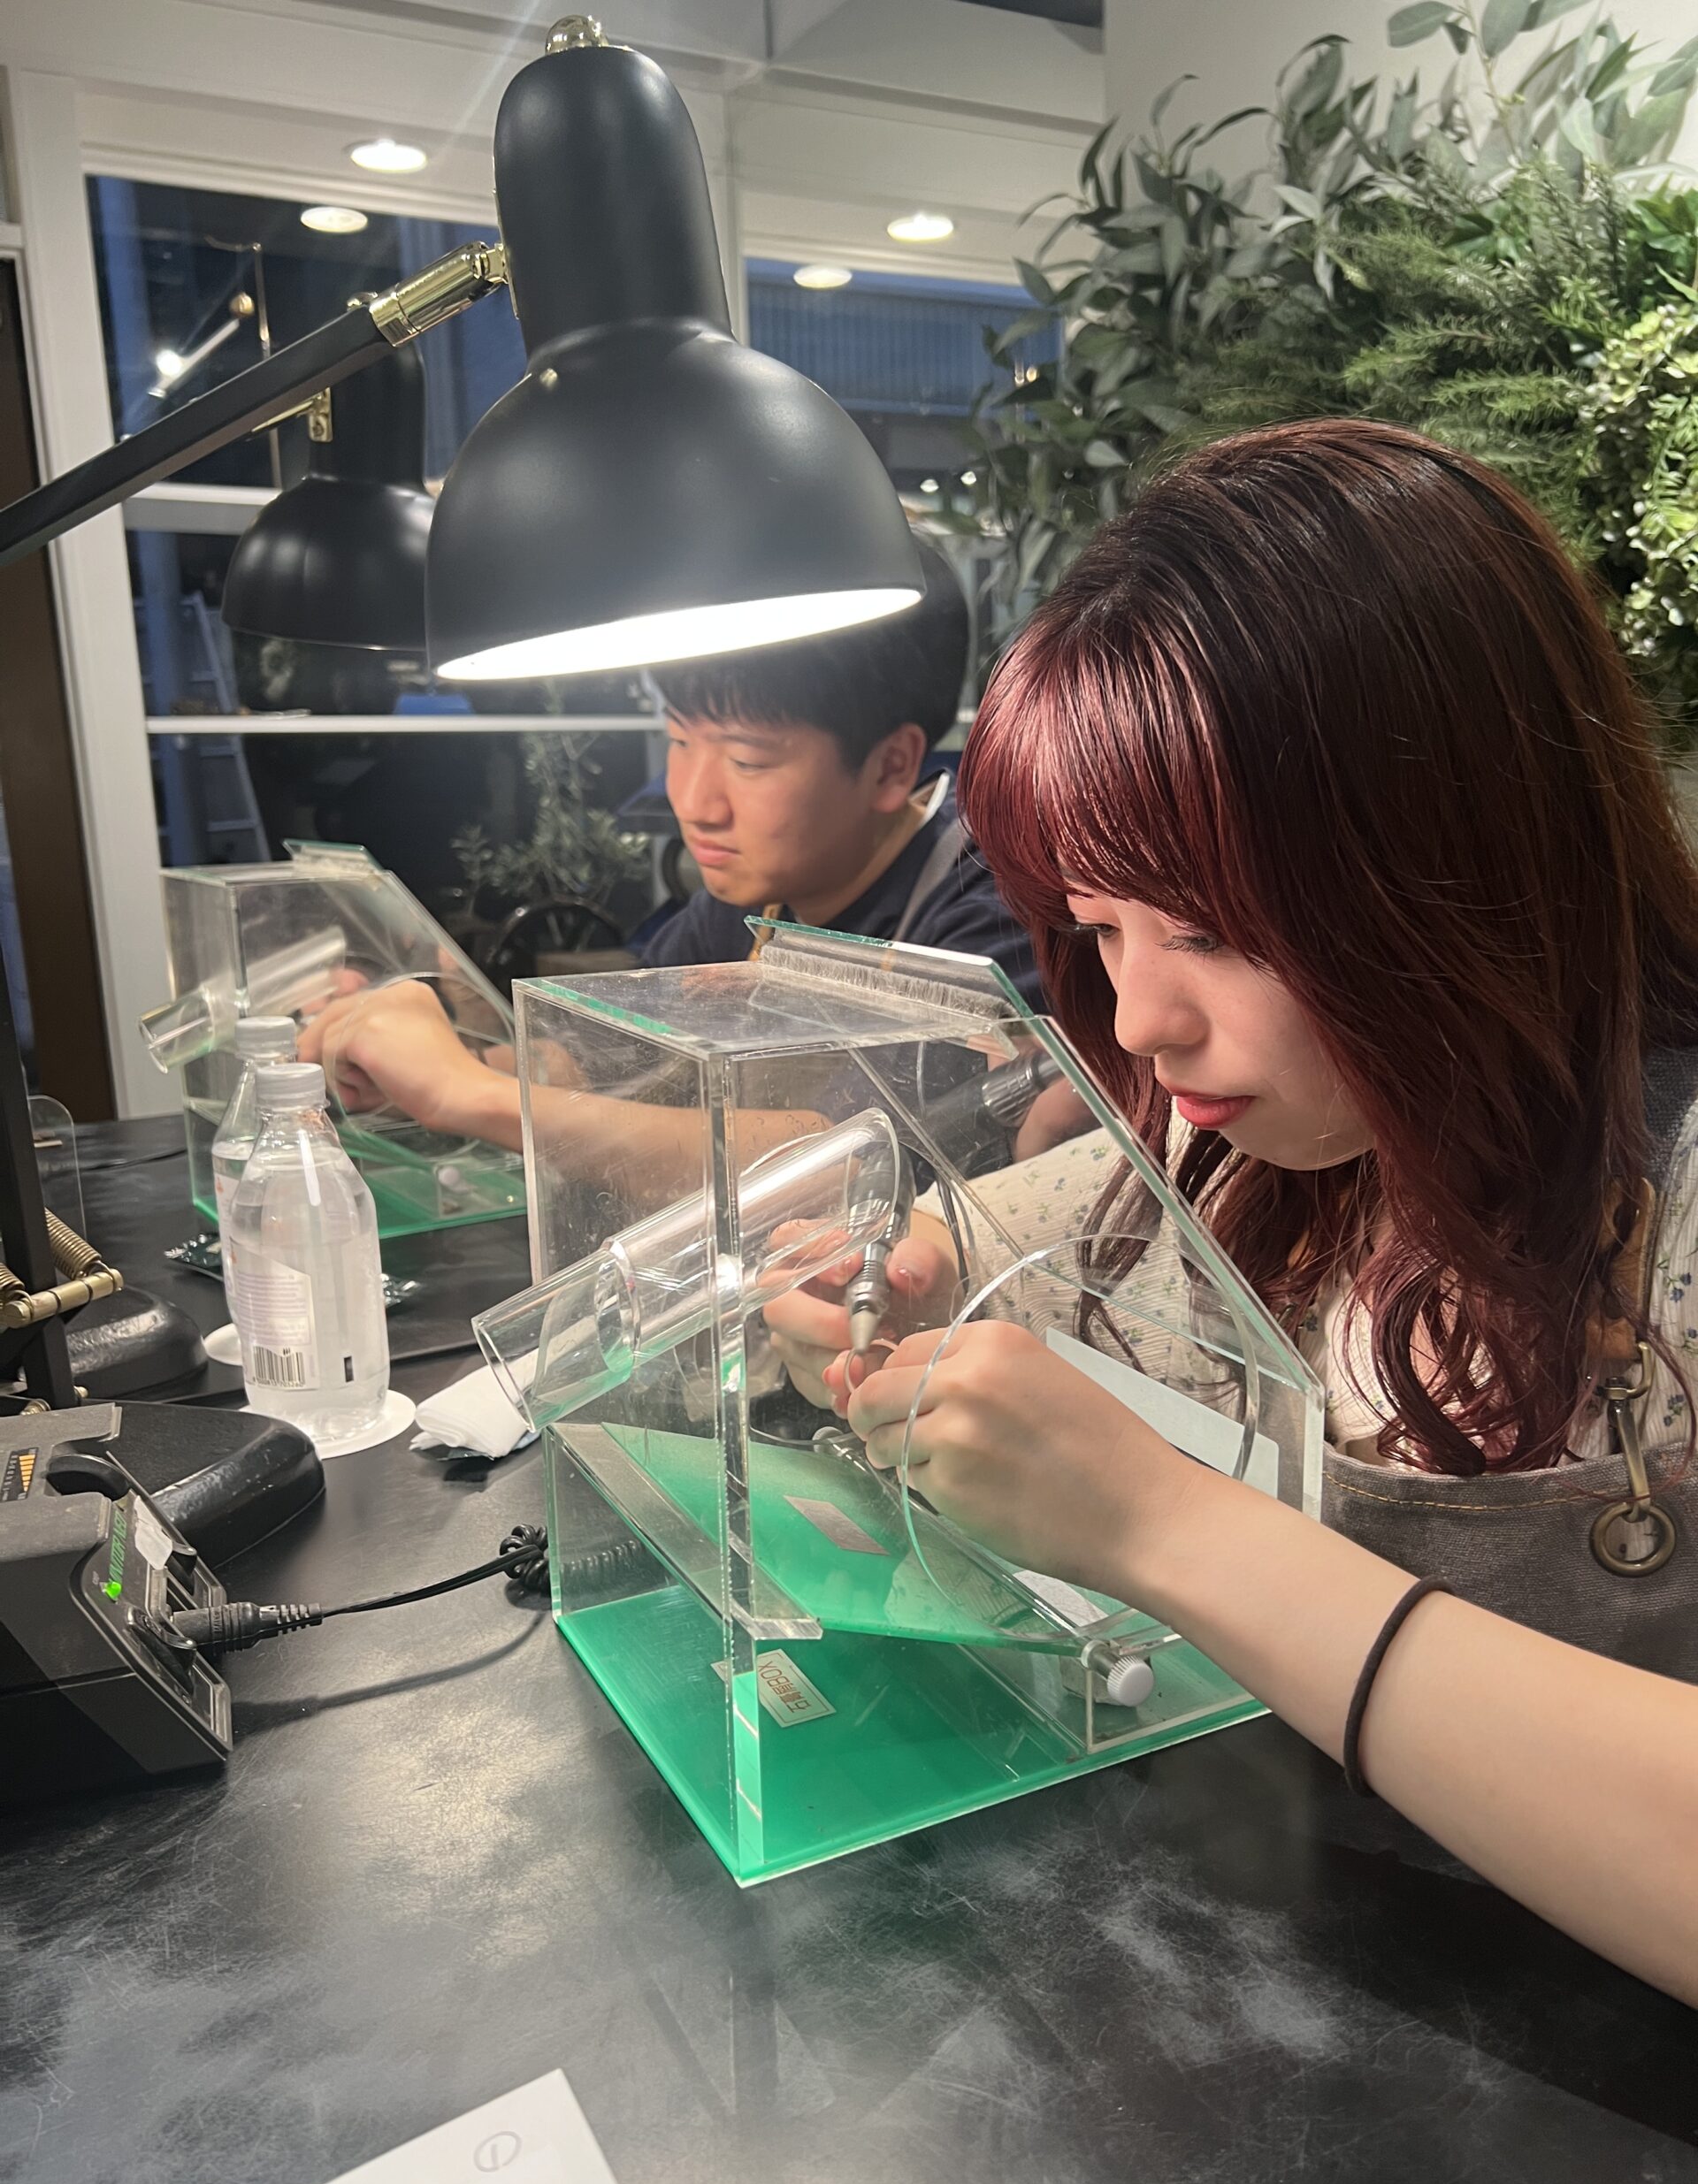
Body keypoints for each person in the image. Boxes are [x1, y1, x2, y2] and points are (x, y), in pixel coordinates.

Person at [762, 421, 1698, 2009]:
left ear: (1465, 860)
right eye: (1100, 928)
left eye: (1208, 926)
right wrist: (886, 1278)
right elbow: (959, 1236)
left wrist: (1168, 1527)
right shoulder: (1267, 1158)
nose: (1141, 1022)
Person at [296, 537, 1040, 1153]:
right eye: (680, 741)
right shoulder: (755, 901)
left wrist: (467, 1095)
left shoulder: (992, 910)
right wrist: (410, 1067)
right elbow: (605, 1059)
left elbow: (854, 1153)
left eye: (748, 760)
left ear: (890, 767)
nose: (694, 803)